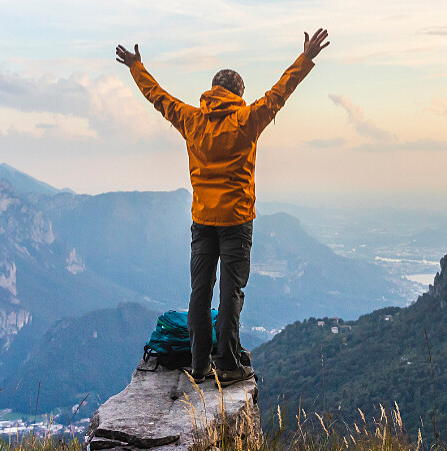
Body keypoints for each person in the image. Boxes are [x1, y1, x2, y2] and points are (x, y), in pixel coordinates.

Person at [115, 29, 329, 385]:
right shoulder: (247, 120)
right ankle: (228, 364)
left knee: (200, 290)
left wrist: (137, 67)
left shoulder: (192, 119)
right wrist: (305, 58)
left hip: (202, 220)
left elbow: (159, 98)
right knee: (231, 292)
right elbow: (280, 92)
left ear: (213, 91)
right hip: (236, 221)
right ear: (238, 94)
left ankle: (199, 365)